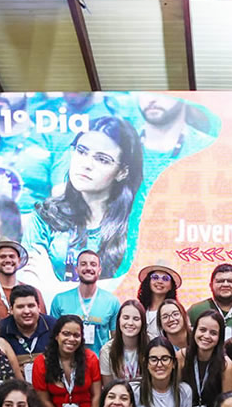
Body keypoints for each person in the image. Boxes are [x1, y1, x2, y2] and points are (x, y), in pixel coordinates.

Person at [19, 117, 145, 285]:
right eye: (81, 151)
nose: (86, 164)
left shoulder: (138, 224)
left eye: (102, 159)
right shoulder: (45, 216)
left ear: (122, 172)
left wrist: (55, 286)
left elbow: (133, 288)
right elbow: (30, 287)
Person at [32, 315, 102, 407]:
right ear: (56, 336)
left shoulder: (91, 358)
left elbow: (96, 395)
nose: (71, 339)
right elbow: (44, 400)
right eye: (66, 334)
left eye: (76, 335)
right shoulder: (41, 363)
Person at [49, 249, 120, 356]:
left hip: (99, 363)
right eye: (83, 264)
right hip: (68, 362)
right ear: (76, 269)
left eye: (93, 264)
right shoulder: (60, 300)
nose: (88, 268)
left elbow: (116, 340)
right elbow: (53, 338)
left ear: (99, 270)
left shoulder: (112, 301)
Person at [137, 337, 194, 407]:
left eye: (165, 358)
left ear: (173, 363)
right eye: (153, 359)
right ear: (146, 363)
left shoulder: (184, 391)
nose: (159, 364)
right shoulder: (134, 391)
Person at [181, 310, 232, 407]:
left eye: (213, 333)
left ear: (220, 337)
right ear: (194, 330)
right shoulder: (181, 357)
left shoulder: (226, 366)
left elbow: (228, 406)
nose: (206, 336)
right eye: (202, 330)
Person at [0, 239, 44, 323]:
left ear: (19, 260)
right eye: (2, 256)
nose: (8, 260)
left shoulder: (34, 293)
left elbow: (42, 322)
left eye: (12, 256)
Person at [0, 284, 53, 381]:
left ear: (39, 307)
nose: (27, 311)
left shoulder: (54, 326)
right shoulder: (0, 331)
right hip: (14, 385)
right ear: (11, 310)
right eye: (20, 307)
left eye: (31, 306)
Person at [101, 298, 146, 384]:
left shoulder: (151, 346)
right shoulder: (107, 351)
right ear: (118, 321)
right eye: (126, 318)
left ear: (143, 322)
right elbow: (108, 387)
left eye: (136, 319)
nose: (130, 323)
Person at [187, 262, 232, 332]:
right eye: (220, 281)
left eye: (231, 281)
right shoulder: (195, 311)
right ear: (211, 286)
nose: (225, 284)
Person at [137, 263, 181, 340]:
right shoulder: (139, 308)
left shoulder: (176, 312)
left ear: (171, 285)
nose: (160, 281)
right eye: (155, 277)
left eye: (165, 279)